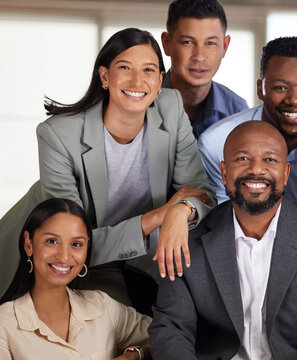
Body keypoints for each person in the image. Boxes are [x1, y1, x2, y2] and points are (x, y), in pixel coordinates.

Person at [0, 28, 216, 313]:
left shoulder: (171, 107)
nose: (137, 81)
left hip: (134, 257)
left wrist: (180, 211)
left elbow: (202, 192)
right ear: (104, 76)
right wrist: (159, 217)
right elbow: (73, 242)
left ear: (160, 79)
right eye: (124, 67)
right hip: (56, 257)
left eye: (148, 70)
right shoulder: (58, 135)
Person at [148, 121, 297, 359]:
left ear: (286, 173)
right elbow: (171, 330)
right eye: (243, 159)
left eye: (270, 160)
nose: (256, 170)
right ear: (225, 173)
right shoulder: (185, 242)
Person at [199, 36, 297, 220]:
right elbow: (221, 224)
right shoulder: (216, 144)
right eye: (280, 87)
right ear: (260, 89)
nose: (294, 100)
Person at [0, 198, 152, 360]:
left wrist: (133, 355)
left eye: (76, 244)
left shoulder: (104, 307)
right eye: (52, 241)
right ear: (28, 244)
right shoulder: (4, 325)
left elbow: (168, 334)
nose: (64, 257)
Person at [161, 0, 248, 139]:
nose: (199, 56)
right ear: (167, 43)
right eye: (187, 42)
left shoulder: (237, 113)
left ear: (224, 47)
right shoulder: (142, 103)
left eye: (210, 43)